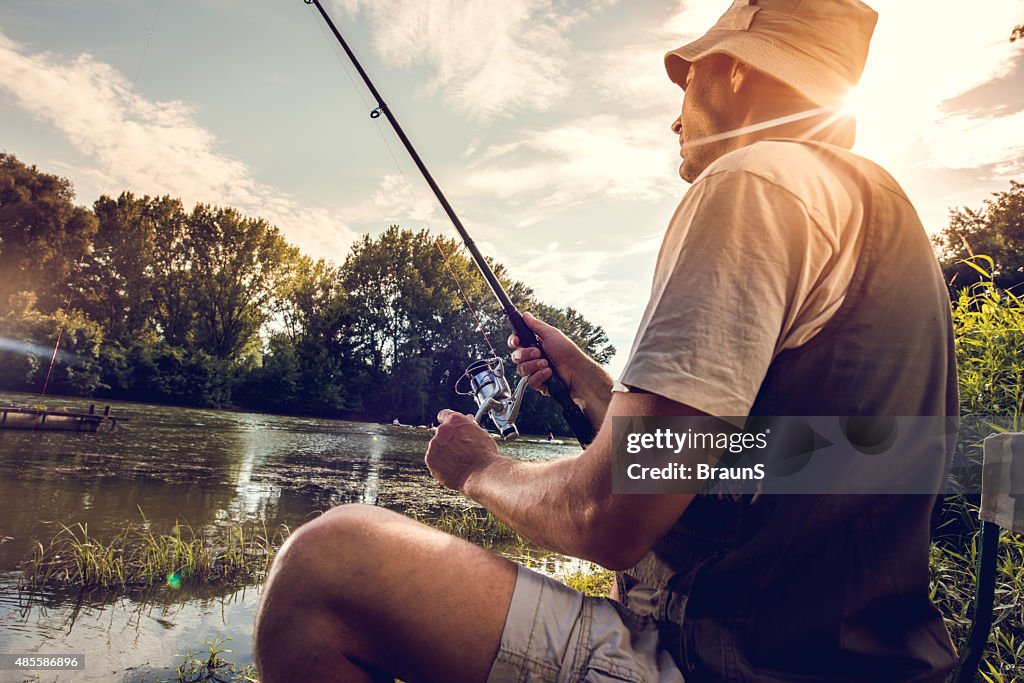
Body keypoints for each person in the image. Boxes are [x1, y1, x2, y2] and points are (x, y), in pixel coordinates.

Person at [253, 0, 958, 681]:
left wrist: (478, 469)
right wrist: (591, 382)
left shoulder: (754, 181)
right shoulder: (888, 220)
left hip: (725, 664)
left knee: (324, 566)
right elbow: (789, 458)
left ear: (738, 70)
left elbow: (610, 515)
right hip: (860, 662)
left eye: (689, 77)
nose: (674, 112)